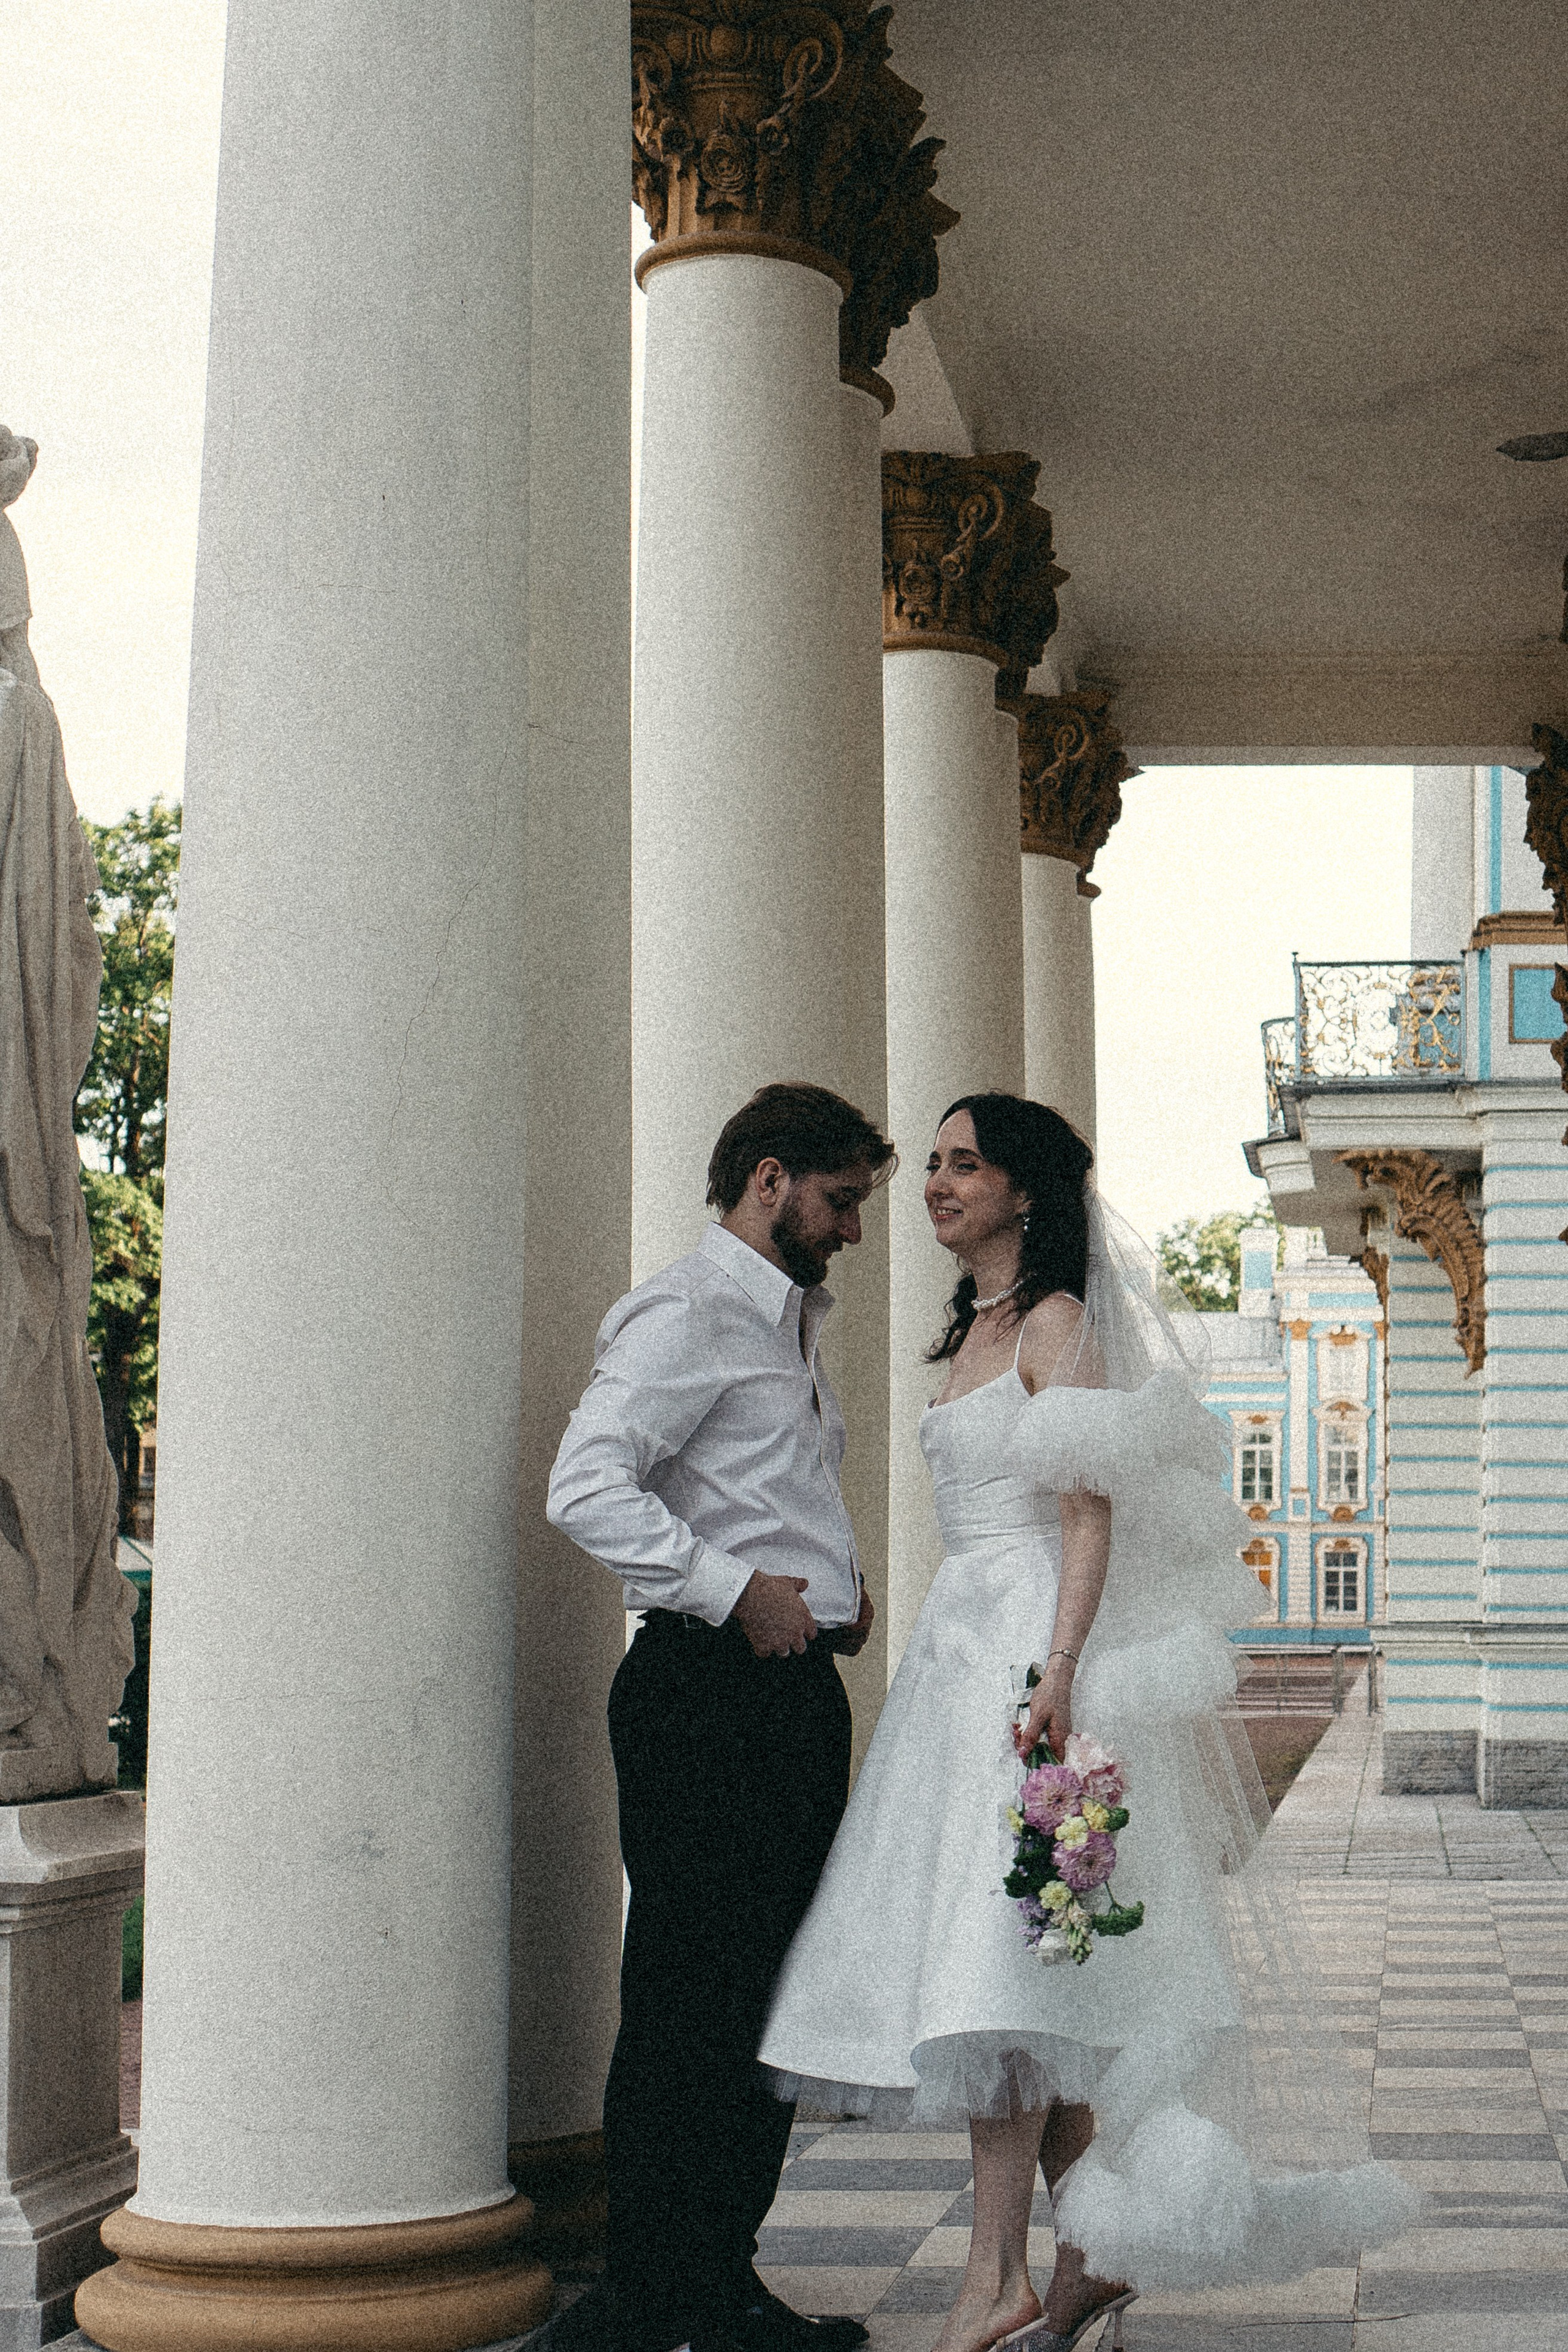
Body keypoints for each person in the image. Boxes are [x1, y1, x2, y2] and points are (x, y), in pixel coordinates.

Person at [760, 1093, 1420, 2352]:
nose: (937, 1184)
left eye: (964, 1166)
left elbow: (1084, 1517)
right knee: (1012, 1980)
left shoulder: (1056, 1323)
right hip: (957, 1661)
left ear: (1024, 1191)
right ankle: (1081, 2256)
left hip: (1027, 1662)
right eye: (936, 1165)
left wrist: (1057, 1676)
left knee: (1004, 1977)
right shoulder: (974, 1328)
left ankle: (991, 2282)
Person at [543, 1082, 895, 2352]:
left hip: (786, 1695)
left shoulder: (788, 1322)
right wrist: (734, 1589)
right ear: (766, 1179)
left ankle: (720, 2282)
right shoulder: (685, 1313)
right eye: (840, 1200)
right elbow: (583, 1487)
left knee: (762, 1999)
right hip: (702, 1697)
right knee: (691, 1998)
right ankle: (655, 2297)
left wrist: (830, 1598)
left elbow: (758, 1492)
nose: (854, 1228)